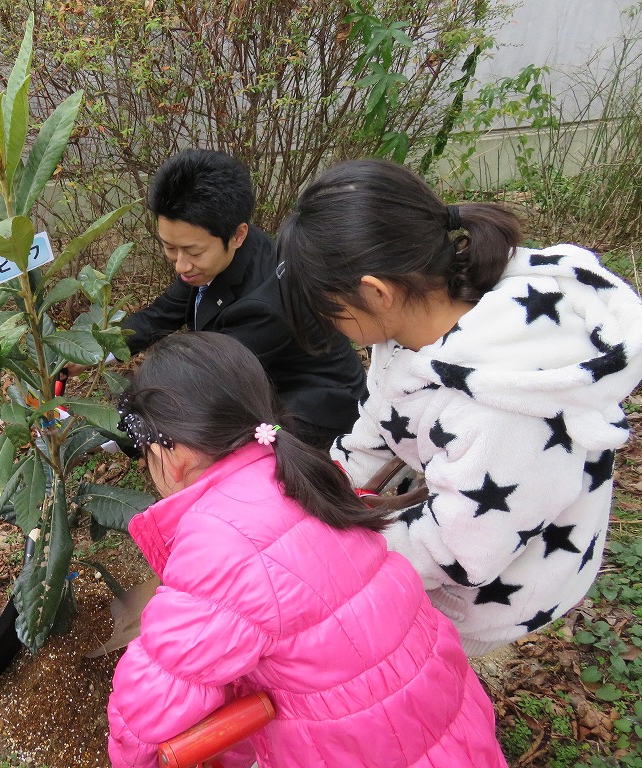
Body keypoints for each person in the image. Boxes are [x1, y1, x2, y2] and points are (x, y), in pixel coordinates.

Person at [276, 157, 642, 656]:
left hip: (497, 583)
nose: (334, 327)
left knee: (419, 668)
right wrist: (320, 483)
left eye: (332, 313)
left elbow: (461, 550)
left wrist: (333, 551)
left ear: (374, 293)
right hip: (473, 519)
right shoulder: (415, 319)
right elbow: (381, 422)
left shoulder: (498, 407)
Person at [107, 331, 507, 768]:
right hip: (450, 729)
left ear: (174, 450)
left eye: (143, 450)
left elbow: (151, 704)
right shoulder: (303, 476)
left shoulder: (222, 540)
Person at [74, 148, 367, 449]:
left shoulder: (265, 305)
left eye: (193, 251)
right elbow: (159, 315)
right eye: (169, 248)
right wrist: (86, 352)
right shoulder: (212, 259)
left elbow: (204, 382)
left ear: (238, 234)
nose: (180, 265)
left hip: (311, 410)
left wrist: (115, 435)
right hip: (262, 383)